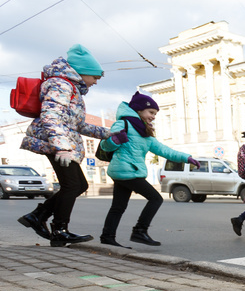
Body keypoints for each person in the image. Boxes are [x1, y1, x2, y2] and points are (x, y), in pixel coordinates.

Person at [18, 44, 111, 247]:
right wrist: (62, 147)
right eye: (95, 77)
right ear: (83, 72)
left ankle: (38, 216)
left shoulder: (72, 89)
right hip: (54, 143)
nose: (96, 82)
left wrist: (107, 133)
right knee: (72, 185)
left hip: (61, 142)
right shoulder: (61, 85)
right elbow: (50, 115)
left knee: (80, 185)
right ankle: (59, 230)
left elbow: (76, 125)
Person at [98, 92, 198, 247]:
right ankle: (139, 231)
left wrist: (186, 158)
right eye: (151, 112)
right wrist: (115, 140)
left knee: (118, 207)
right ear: (139, 109)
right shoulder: (123, 123)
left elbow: (163, 150)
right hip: (127, 171)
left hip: (126, 172)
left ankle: (107, 237)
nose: (153, 116)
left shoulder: (144, 130)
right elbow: (105, 145)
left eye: (155, 114)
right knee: (155, 198)